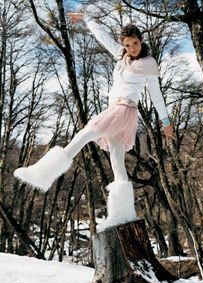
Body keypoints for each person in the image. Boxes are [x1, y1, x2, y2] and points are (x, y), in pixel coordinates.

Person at [14, 11, 175, 230]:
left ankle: (43, 173)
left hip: (124, 109)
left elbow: (156, 94)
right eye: (127, 45)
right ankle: (122, 216)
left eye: (135, 43)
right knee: (117, 161)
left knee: (86, 133)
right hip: (117, 110)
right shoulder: (121, 56)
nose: (132, 48)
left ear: (141, 41)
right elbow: (103, 36)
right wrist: (87, 18)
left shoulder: (148, 63)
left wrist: (165, 121)